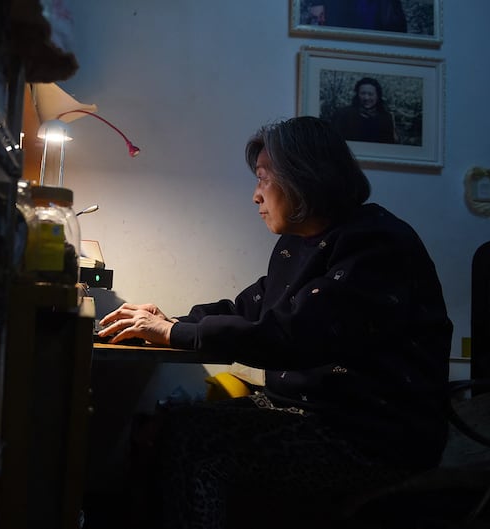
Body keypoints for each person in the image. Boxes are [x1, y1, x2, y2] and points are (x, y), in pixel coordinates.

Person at [97, 116, 452, 528]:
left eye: (264, 179)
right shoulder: (297, 245)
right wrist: (171, 321)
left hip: (371, 437)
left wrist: (178, 333)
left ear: (306, 178)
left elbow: (295, 335)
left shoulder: (376, 243)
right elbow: (252, 308)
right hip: (309, 412)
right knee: (167, 425)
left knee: (195, 443)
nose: (255, 196)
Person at [331, 76, 398, 144]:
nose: (366, 98)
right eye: (363, 93)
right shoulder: (342, 114)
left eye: (370, 94)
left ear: (378, 96)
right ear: (357, 94)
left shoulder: (386, 118)